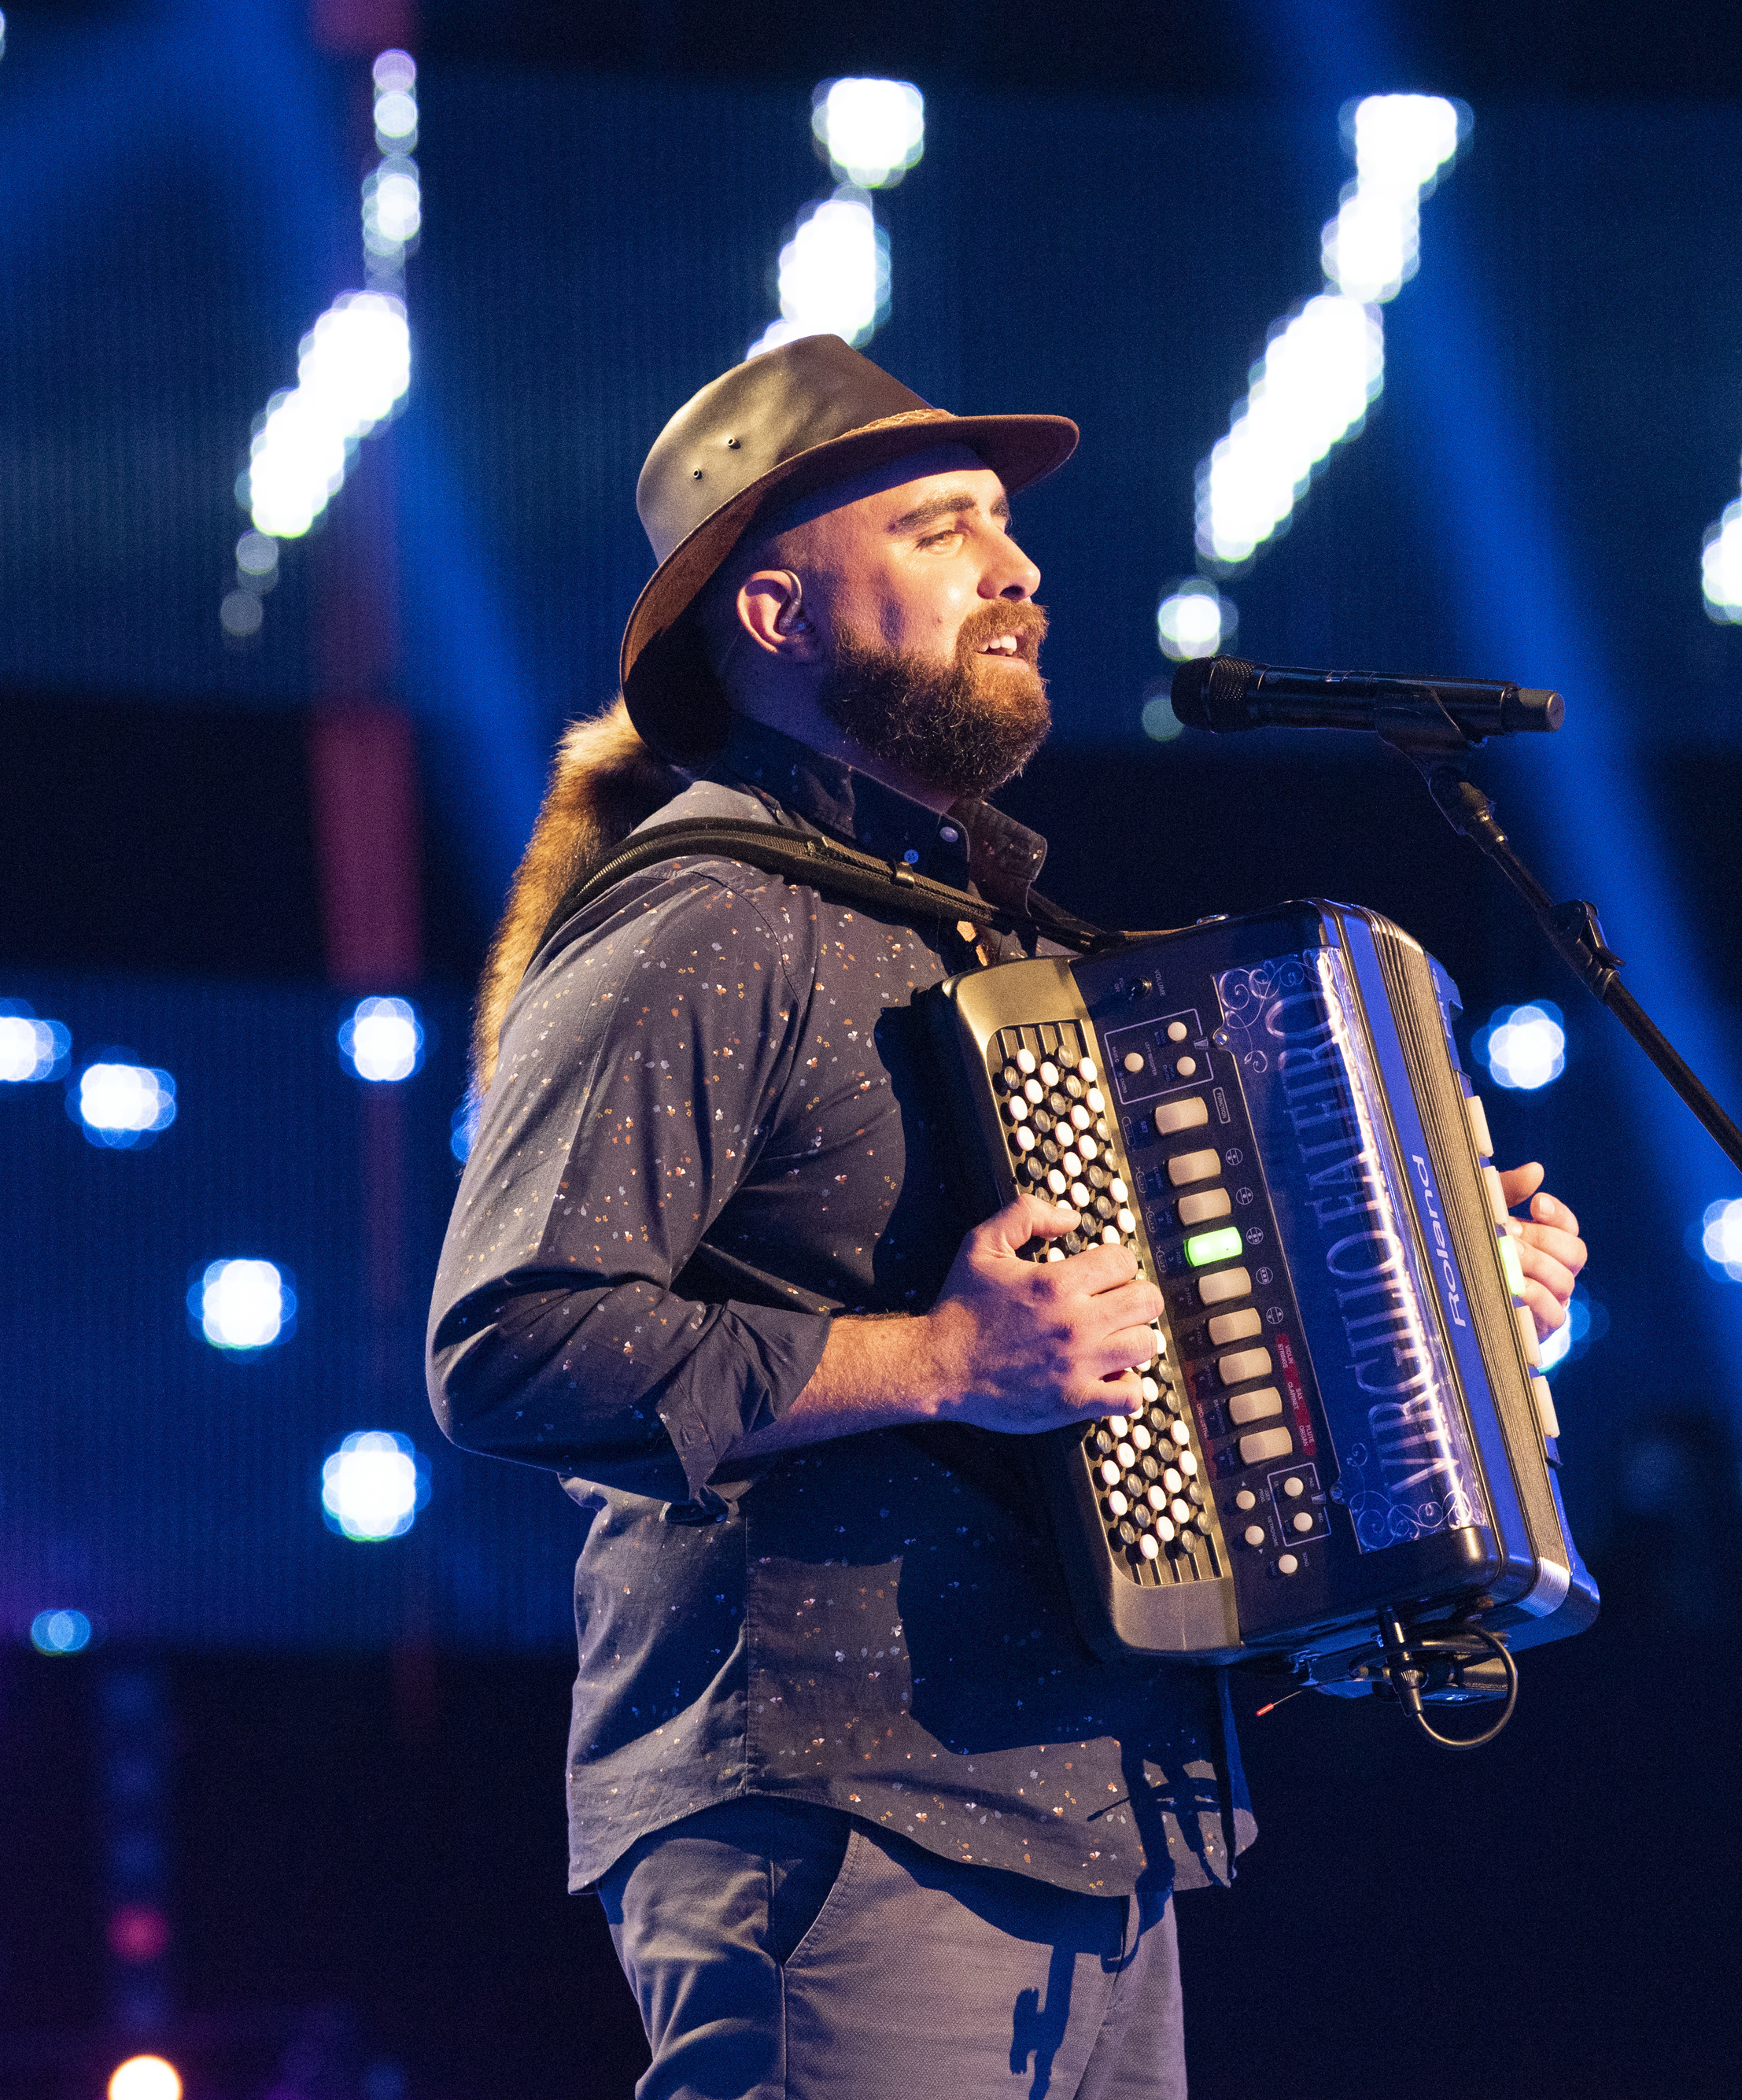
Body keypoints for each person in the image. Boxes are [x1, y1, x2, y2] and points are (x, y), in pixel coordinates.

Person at [427, 334, 1585, 2100]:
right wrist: (936, 1359)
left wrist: (1441, 1319)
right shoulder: (701, 920)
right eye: (942, 525)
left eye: (1006, 527)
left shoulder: (978, 941)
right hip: (833, 1796)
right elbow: (507, 1349)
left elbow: (1133, 1351)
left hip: (1094, 1803)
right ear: (772, 612)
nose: (1017, 564)